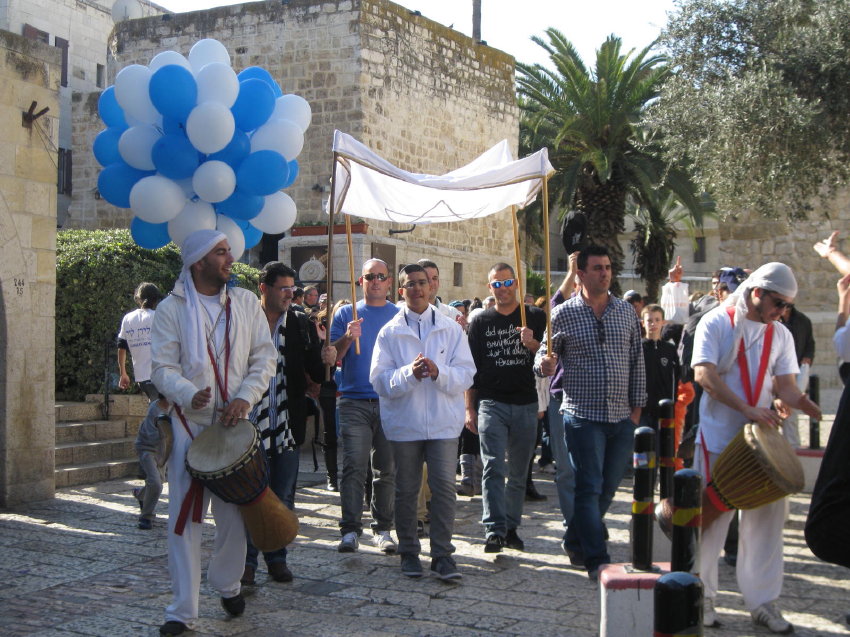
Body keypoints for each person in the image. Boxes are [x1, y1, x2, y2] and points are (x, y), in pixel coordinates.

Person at [150, 229, 276, 637]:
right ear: (198, 261)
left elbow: (264, 358)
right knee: (183, 520)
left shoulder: (245, 303)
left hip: (234, 424)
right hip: (191, 424)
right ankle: (181, 611)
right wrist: (188, 394)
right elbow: (162, 368)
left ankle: (228, 583)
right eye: (220, 252)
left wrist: (245, 397)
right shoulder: (171, 309)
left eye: (228, 251)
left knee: (235, 516)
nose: (230, 259)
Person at [691, 262, 820, 633]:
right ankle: (701, 596)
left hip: (761, 444)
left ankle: (763, 602)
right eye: (778, 303)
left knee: (766, 525)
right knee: (711, 522)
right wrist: (746, 408)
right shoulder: (716, 322)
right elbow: (704, 375)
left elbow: (787, 386)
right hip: (720, 437)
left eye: (787, 306)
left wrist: (802, 404)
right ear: (757, 292)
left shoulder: (780, 334)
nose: (782, 312)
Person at [536, 244, 646, 580]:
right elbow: (542, 357)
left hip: (622, 416)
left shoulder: (625, 312)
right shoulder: (563, 314)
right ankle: (597, 559)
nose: (605, 273)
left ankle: (575, 539)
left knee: (609, 487)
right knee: (589, 486)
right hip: (582, 416)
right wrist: (544, 364)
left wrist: (636, 411)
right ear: (581, 274)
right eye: (597, 268)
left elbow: (637, 360)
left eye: (608, 267)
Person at [370, 264, 476, 580]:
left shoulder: (451, 329)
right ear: (400, 290)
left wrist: (439, 372)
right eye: (410, 284)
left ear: (431, 287)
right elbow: (379, 380)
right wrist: (409, 374)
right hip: (405, 424)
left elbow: (467, 374)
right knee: (406, 489)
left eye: (421, 282)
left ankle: (443, 555)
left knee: (444, 488)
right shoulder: (389, 332)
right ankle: (409, 552)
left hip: (443, 423)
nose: (416, 289)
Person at [241, 262, 334, 586]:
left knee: (283, 499)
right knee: (252, 498)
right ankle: (247, 562)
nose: (289, 295)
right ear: (263, 288)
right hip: (250, 426)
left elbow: (315, 369)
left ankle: (277, 559)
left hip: (287, 425)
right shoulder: (244, 321)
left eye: (292, 289)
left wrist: (330, 356)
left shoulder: (299, 323)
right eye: (283, 289)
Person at [466, 262, 546, 553]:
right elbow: (471, 369)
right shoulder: (480, 322)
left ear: (516, 283)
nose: (503, 289)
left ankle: (511, 527)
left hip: (525, 402)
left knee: (519, 471)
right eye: (496, 284)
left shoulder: (535, 316)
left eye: (507, 282)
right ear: (490, 288)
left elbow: (548, 359)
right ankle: (494, 530)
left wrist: (533, 344)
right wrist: (469, 408)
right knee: (493, 466)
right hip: (491, 402)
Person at [330, 258, 399, 553]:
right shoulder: (346, 313)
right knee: (353, 467)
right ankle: (350, 529)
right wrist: (348, 336)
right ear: (361, 281)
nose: (376, 281)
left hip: (388, 401)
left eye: (381, 276)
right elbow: (332, 356)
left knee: (386, 470)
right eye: (370, 276)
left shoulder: (399, 315)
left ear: (389, 282)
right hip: (353, 401)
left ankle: (383, 529)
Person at [118, 282, 163, 401]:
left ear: (139, 298)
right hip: (160, 374)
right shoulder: (159, 316)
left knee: (155, 404)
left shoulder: (128, 318)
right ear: (155, 300)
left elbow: (121, 347)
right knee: (165, 408)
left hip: (141, 377)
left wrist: (123, 373)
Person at [778, 303, 815, 447]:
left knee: (791, 406)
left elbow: (810, 343)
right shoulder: (773, 320)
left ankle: (792, 443)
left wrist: (808, 357)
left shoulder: (802, 320)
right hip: (778, 369)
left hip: (798, 368)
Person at [133, 395, 172, 530]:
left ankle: (141, 495)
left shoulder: (176, 408)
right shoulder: (154, 409)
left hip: (163, 449)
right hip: (147, 448)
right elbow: (151, 435)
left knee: (158, 481)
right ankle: (146, 517)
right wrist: (169, 433)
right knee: (156, 483)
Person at [640, 304, 680, 430]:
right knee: (643, 439)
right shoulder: (637, 348)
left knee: (665, 439)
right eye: (649, 321)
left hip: (665, 409)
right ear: (643, 323)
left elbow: (676, 377)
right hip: (642, 409)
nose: (653, 324)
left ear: (663, 322)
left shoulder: (670, 349)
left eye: (657, 320)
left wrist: (674, 403)